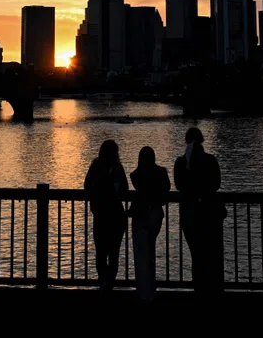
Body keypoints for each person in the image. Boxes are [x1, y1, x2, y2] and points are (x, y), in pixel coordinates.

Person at [174, 127, 226, 295]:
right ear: (202, 140)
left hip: (189, 215)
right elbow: (216, 183)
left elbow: (179, 185)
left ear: (186, 141)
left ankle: (199, 289)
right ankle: (213, 290)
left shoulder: (180, 162)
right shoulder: (210, 160)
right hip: (210, 214)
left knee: (196, 255)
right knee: (211, 254)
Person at [84, 140, 129, 293]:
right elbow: (125, 190)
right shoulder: (117, 168)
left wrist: (95, 198)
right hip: (116, 216)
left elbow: (86, 186)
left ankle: (104, 281)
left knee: (101, 252)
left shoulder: (95, 167)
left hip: (101, 215)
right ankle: (109, 283)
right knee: (113, 253)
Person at [129, 146, 170, 302]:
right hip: (156, 215)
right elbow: (166, 192)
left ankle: (144, 291)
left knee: (141, 254)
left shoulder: (136, 175)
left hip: (141, 215)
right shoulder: (161, 173)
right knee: (150, 249)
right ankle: (150, 289)